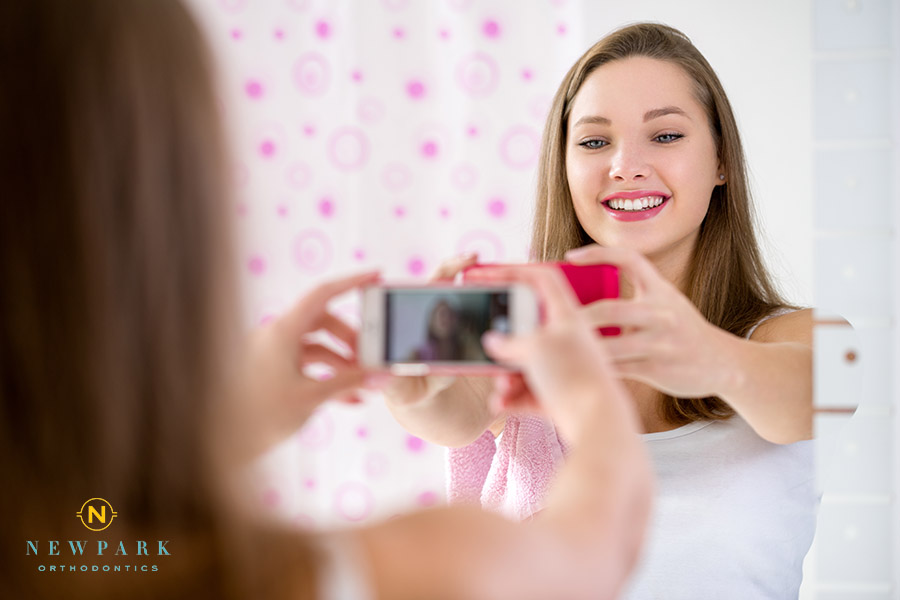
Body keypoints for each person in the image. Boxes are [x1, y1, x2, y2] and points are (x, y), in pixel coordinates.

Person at [0, 1, 653, 599]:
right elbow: (597, 547)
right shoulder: (330, 572)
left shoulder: (57, 556)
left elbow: (89, 527)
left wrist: (232, 421)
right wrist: (589, 395)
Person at [385, 23, 816, 599]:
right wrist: (413, 387)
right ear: (564, 168)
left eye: (665, 135)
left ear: (721, 162)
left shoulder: (800, 336)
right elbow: (452, 415)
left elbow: (822, 391)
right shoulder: (526, 332)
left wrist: (709, 357)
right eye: (593, 142)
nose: (625, 165)